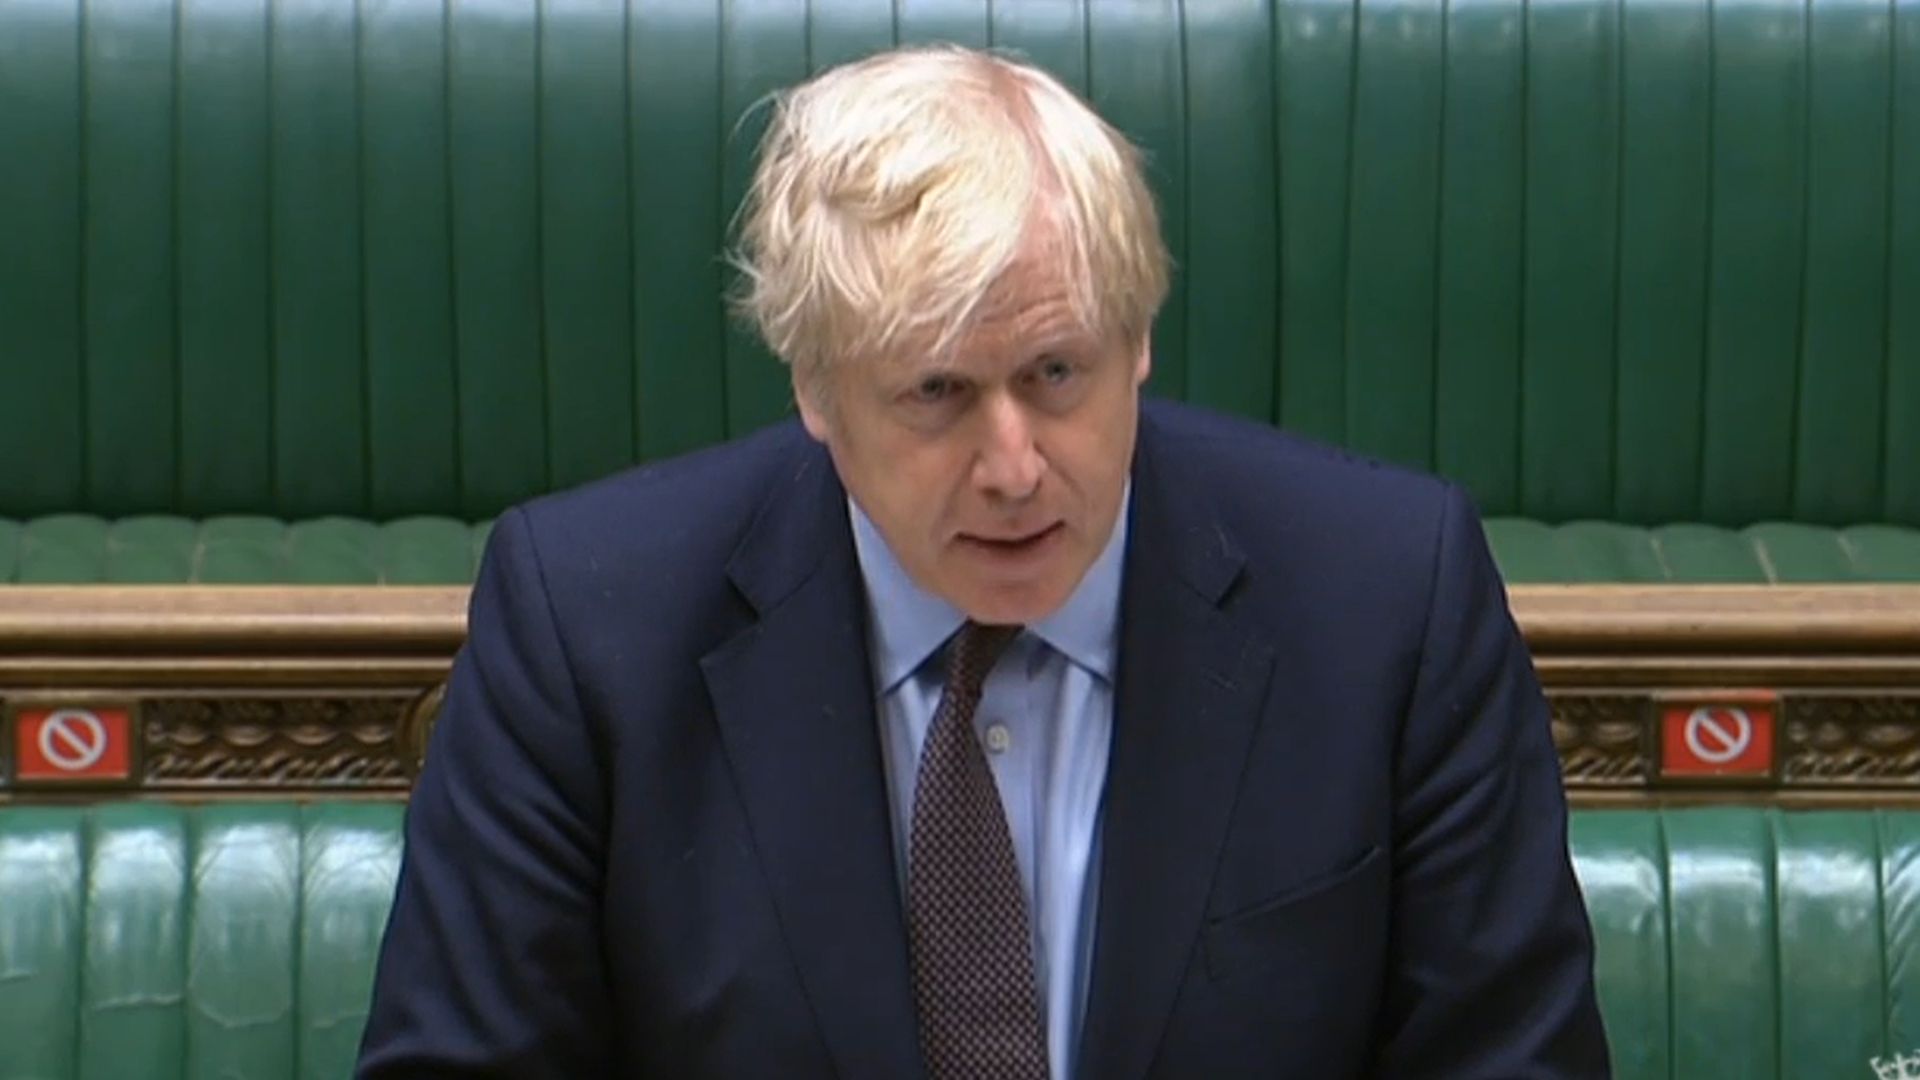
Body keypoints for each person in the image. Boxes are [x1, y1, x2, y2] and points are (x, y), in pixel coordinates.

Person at [356, 44, 1609, 1079]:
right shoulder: (586, 629)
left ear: (1139, 343)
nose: (1013, 464)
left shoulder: (1391, 601)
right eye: (938, 392)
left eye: (1056, 374)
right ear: (815, 388)